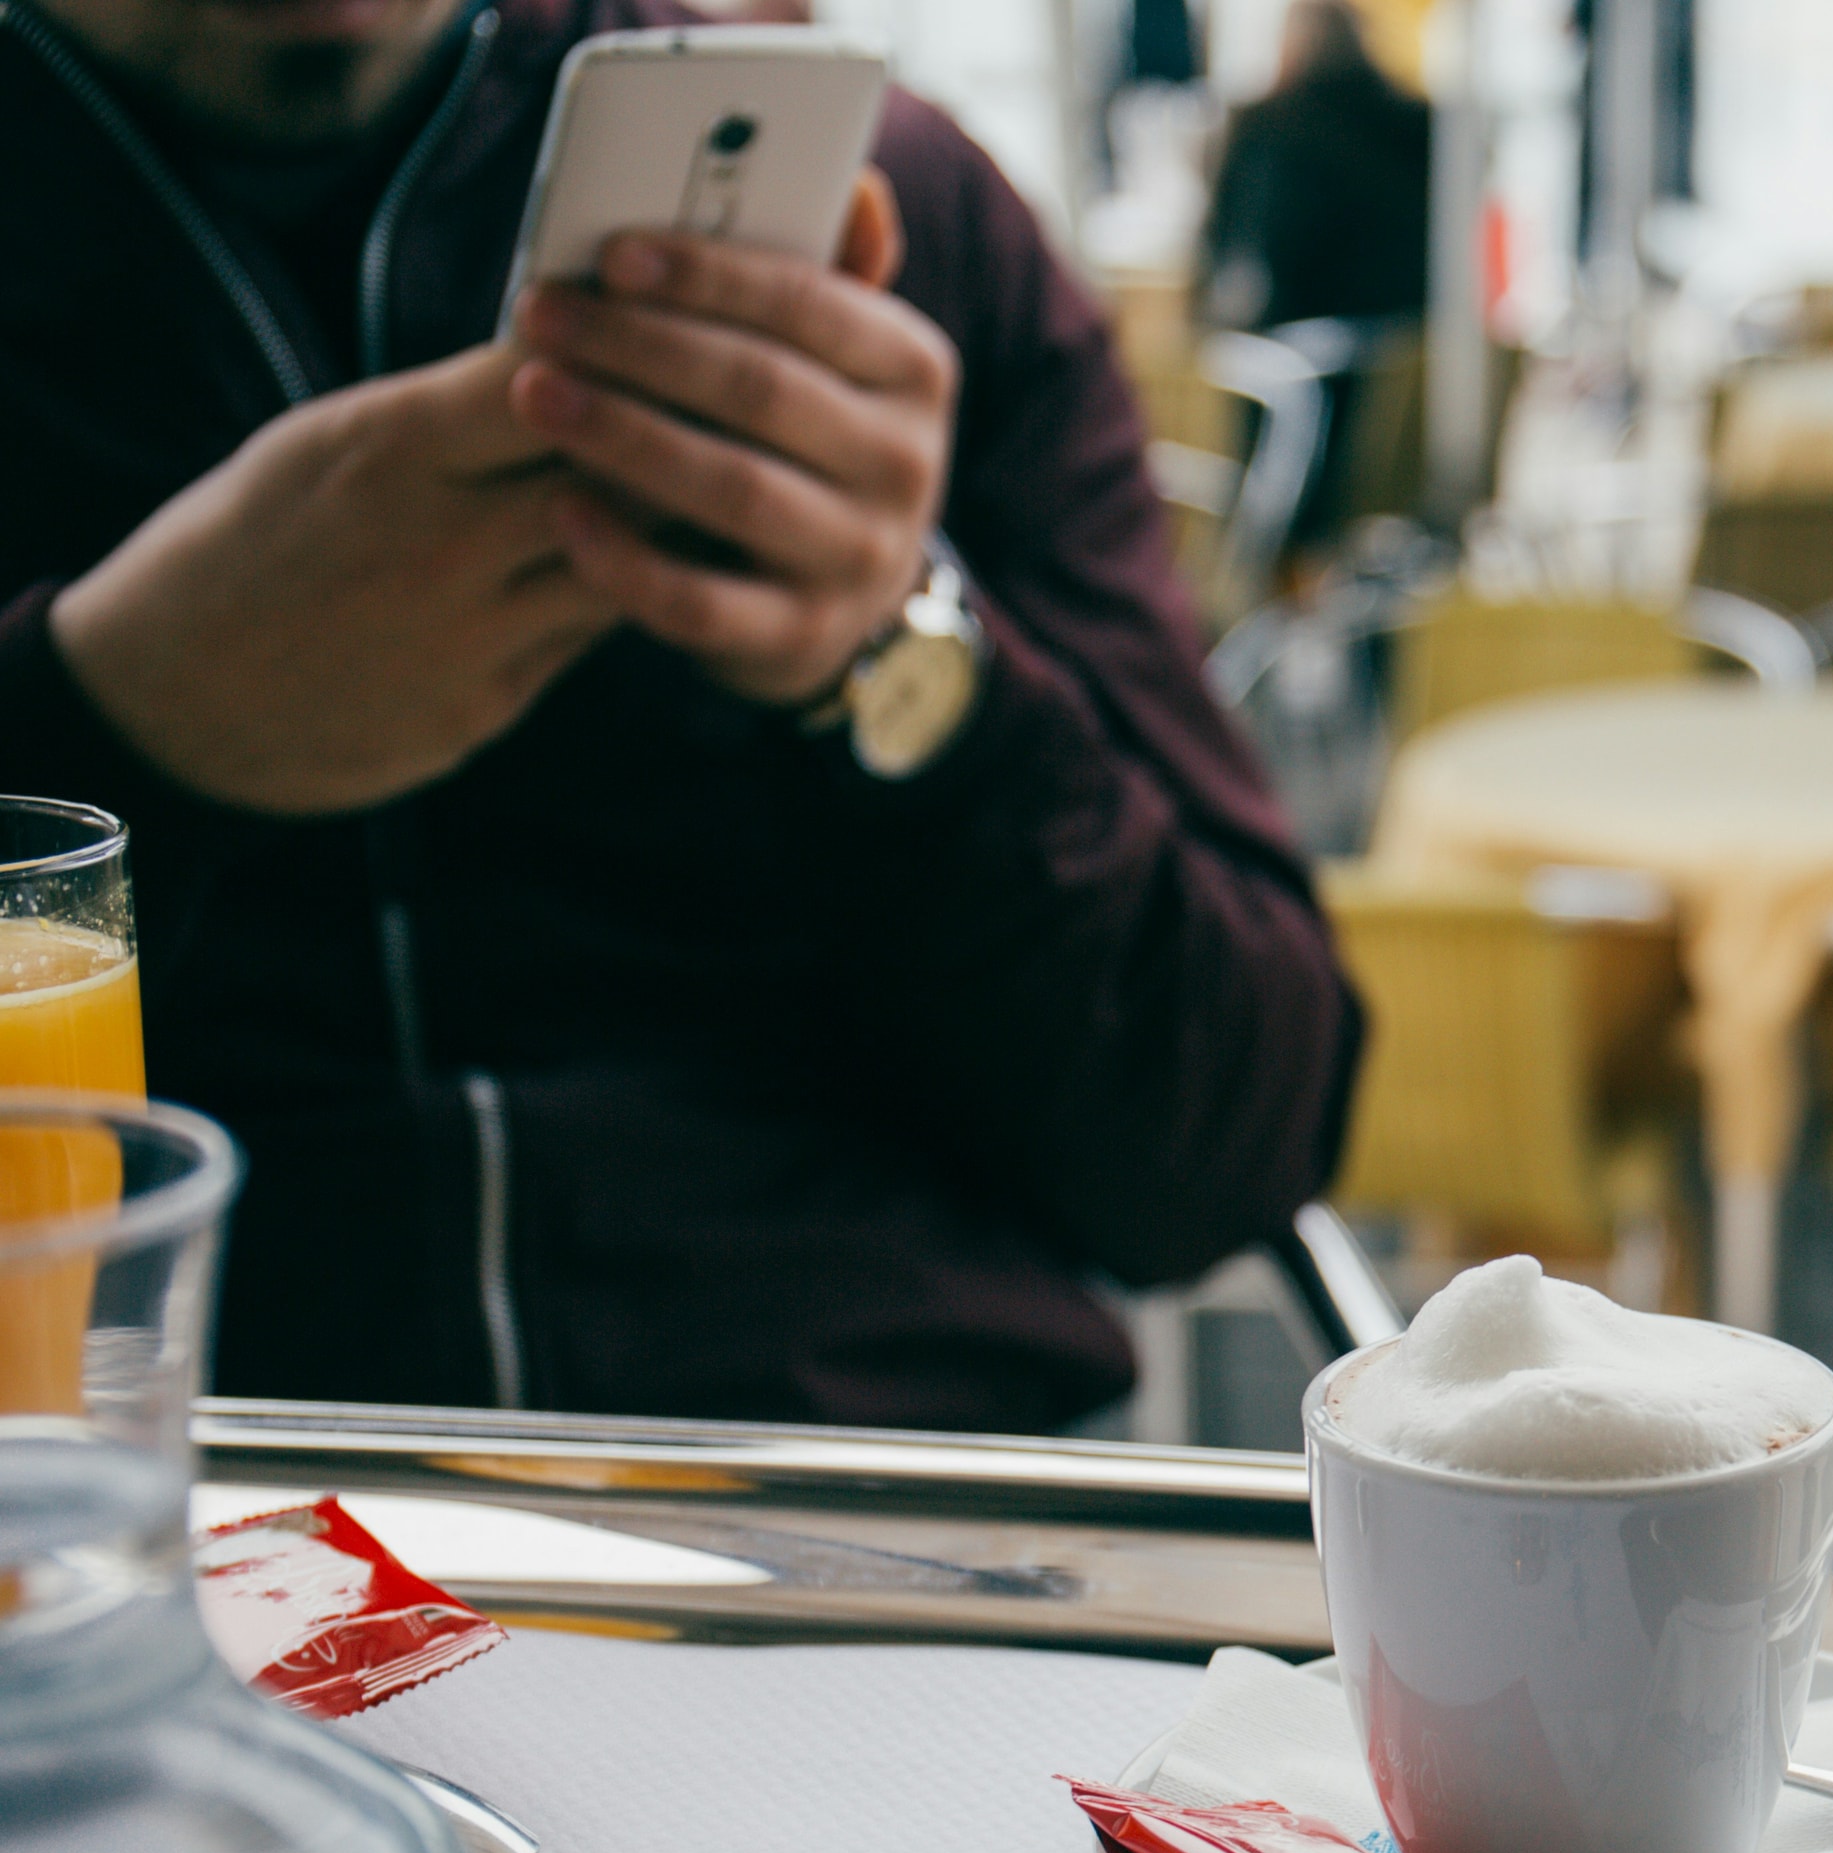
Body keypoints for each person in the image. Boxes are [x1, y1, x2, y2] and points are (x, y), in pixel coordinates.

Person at [0, 0, 1365, 1431]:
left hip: (886, 1515)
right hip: (178, 1510)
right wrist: (105, 715)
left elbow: (1227, 1146)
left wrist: (895, 660)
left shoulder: (909, 222)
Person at [1202, 0, 1430, 336]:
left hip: (1299, 352)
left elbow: (1239, 247)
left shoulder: (1271, 126)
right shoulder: (1417, 125)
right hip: (1402, 347)